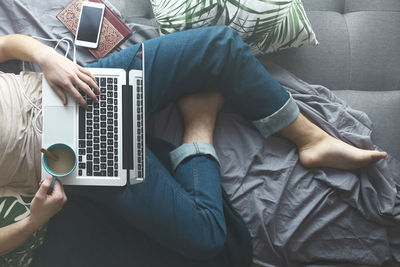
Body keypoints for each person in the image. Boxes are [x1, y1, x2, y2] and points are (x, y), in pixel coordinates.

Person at [0, 26, 387, 266]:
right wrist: (36, 220)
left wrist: (45, 56)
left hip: (75, 87)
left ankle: (311, 140)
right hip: (70, 160)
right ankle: (198, 127)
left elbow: (7, 44)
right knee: (206, 239)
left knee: (220, 45)